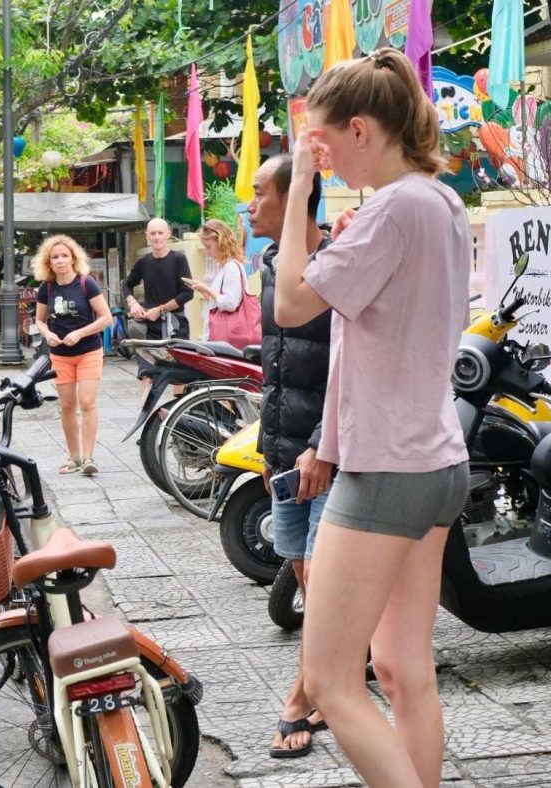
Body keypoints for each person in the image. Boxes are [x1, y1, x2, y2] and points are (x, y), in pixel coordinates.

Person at [272, 48, 472, 787]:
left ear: (359, 129)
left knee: (326, 682)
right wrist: (327, 440)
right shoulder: (439, 200)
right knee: (399, 667)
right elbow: (368, 343)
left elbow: (291, 305)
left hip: (388, 468)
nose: (318, 155)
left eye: (321, 141)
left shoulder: (390, 210)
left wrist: (299, 191)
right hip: (434, 458)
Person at [246, 153, 335, 758]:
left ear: (293, 197)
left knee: (326, 586)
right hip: (281, 448)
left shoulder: (333, 263)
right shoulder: (272, 262)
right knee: (306, 579)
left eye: (258, 193)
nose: (248, 204)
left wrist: (319, 444)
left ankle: (299, 700)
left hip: (323, 453)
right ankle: (330, 685)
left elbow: (346, 367)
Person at [33, 235, 112, 476]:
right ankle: (74, 457)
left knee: (87, 402)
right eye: (55, 257)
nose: (60, 261)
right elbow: (39, 320)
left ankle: (88, 457)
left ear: (73, 258)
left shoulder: (86, 283)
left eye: (64, 256)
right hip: (60, 354)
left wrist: (79, 333)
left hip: (88, 351)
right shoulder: (46, 288)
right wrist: (47, 334)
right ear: (48, 261)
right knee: (67, 405)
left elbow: (106, 318)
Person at [122, 218, 192, 394]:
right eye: (152, 233)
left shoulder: (179, 259)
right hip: (150, 328)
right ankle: (146, 417)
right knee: (146, 372)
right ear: (147, 236)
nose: (157, 237)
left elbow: (187, 293)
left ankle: (179, 417)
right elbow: (127, 285)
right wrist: (133, 303)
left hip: (176, 325)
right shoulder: (143, 262)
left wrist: (160, 309)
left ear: (168, 234)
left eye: (160, 233)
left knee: (179, 374)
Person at [184, 220, 249, 344]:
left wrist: (207, 290)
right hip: (221, 337)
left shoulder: (231, 267)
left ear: (221, 243)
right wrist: (203, 291)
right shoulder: (225, 267)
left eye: (209, 247)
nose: (207, 252)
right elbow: (219, 301)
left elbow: (230, 304)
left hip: (226, 339)